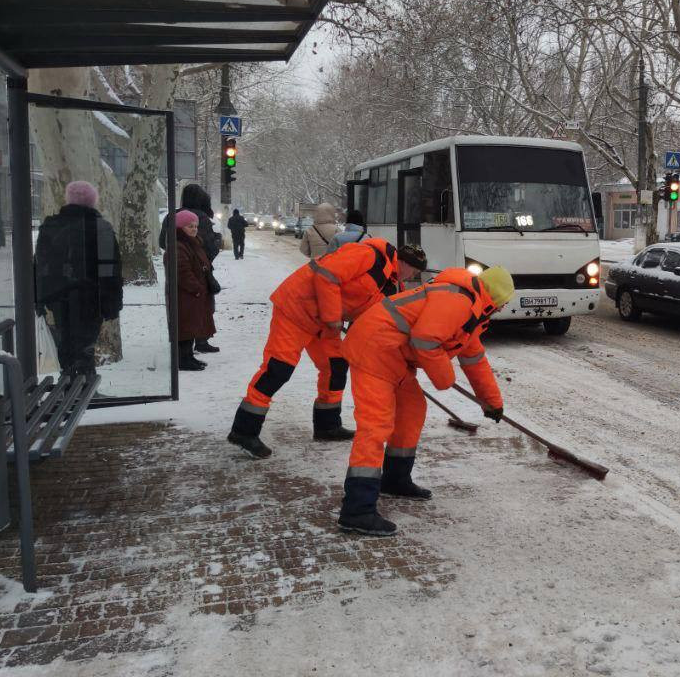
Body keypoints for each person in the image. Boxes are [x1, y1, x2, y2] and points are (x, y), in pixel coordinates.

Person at [337, 265, 514, 536]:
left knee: (412, 410)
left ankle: (395, 479)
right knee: (375, 426)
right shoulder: (458, 300)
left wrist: (492, 401)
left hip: (393, 356)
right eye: (504, 302)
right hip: (374, 348)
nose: (503, 308)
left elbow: (474, 359)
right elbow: (425, 339)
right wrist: (444, 379)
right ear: (496, 297)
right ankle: (357, 510)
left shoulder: (472, 314)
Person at [227, 240, 428, 459]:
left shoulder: (392, 286)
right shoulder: (369, 256)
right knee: (279, 367)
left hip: (324, 321)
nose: (412, 275)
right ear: (403, 261)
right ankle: (243, 430)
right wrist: (333, 317)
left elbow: (377, 319)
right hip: (297, 308)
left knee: (336, 366)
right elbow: (327, 275)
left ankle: (327, 425)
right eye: (414, 270)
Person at [34, 181, 123, 379]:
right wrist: (112, 301)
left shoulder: (51, 225)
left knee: (65, 340)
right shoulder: (100, 227)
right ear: (92, 201)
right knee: (85, 344)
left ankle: (69, 382)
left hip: (57, 295)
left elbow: (40, 263)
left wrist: (39, 296)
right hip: (91, 296)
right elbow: (110, 268)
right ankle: (83, 385)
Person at [160, 183, 221, 354]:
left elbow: (161, 241)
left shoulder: (171, 216)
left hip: (177, 268)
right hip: (198, 269)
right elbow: (210, 247)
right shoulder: (200, 217)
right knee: (203, 305)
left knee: (182, 309)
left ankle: (187, 345)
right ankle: (200, 340)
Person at [171, 210, 217, 371]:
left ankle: (188, 356)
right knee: (185, 329)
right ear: (180, 227)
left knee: (191, 328)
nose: (194, 229)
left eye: (196, 226)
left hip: (194, 295)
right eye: (190, 226)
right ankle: (182, 359)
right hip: (185, 295)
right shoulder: (178, 245)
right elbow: (182, 272)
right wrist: (196, 288)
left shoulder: (192, 242)